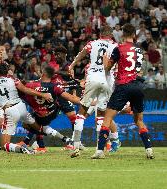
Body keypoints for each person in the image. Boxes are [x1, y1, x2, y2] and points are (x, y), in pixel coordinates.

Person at [92, 24, 154, 159]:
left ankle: (100, 151)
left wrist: (105, 60)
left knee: (107, 118)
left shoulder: (119, 48)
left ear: (122, 34)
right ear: (134, 35)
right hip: (138, 86)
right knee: (139, 120)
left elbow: (107, 68)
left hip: (123, 86)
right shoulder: (139, 50)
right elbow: (138, 69)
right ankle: (149, 149)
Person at [69, 26, 119, 157]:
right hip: (108, 80)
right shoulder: (115, 45)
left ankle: (75, 146)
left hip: (92, 78)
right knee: (101, 115)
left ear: (100, 34)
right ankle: (99, 149)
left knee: (82, 111)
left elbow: (82, 53)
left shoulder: (93, 43)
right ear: (111, 35)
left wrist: (73, 64)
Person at [0, 63, 53, 154]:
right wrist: (43, 94)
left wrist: (2, 105)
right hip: (21, 106)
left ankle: (21, 148)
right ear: (7, 72)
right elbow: (25, 90)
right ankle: (63, 139)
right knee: (38, 127)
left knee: (4, 145)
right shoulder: (13, 79)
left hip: (10, 110)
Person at [19, 66, 80, 152]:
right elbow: (72, 94)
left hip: (42, 111)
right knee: (37, 124)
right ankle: (41, 145)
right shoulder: (55, 86)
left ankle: (30, 143)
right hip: (52, 111)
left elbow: (23, 88)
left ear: (43, 73)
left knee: (31, 123)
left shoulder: (32, 84)